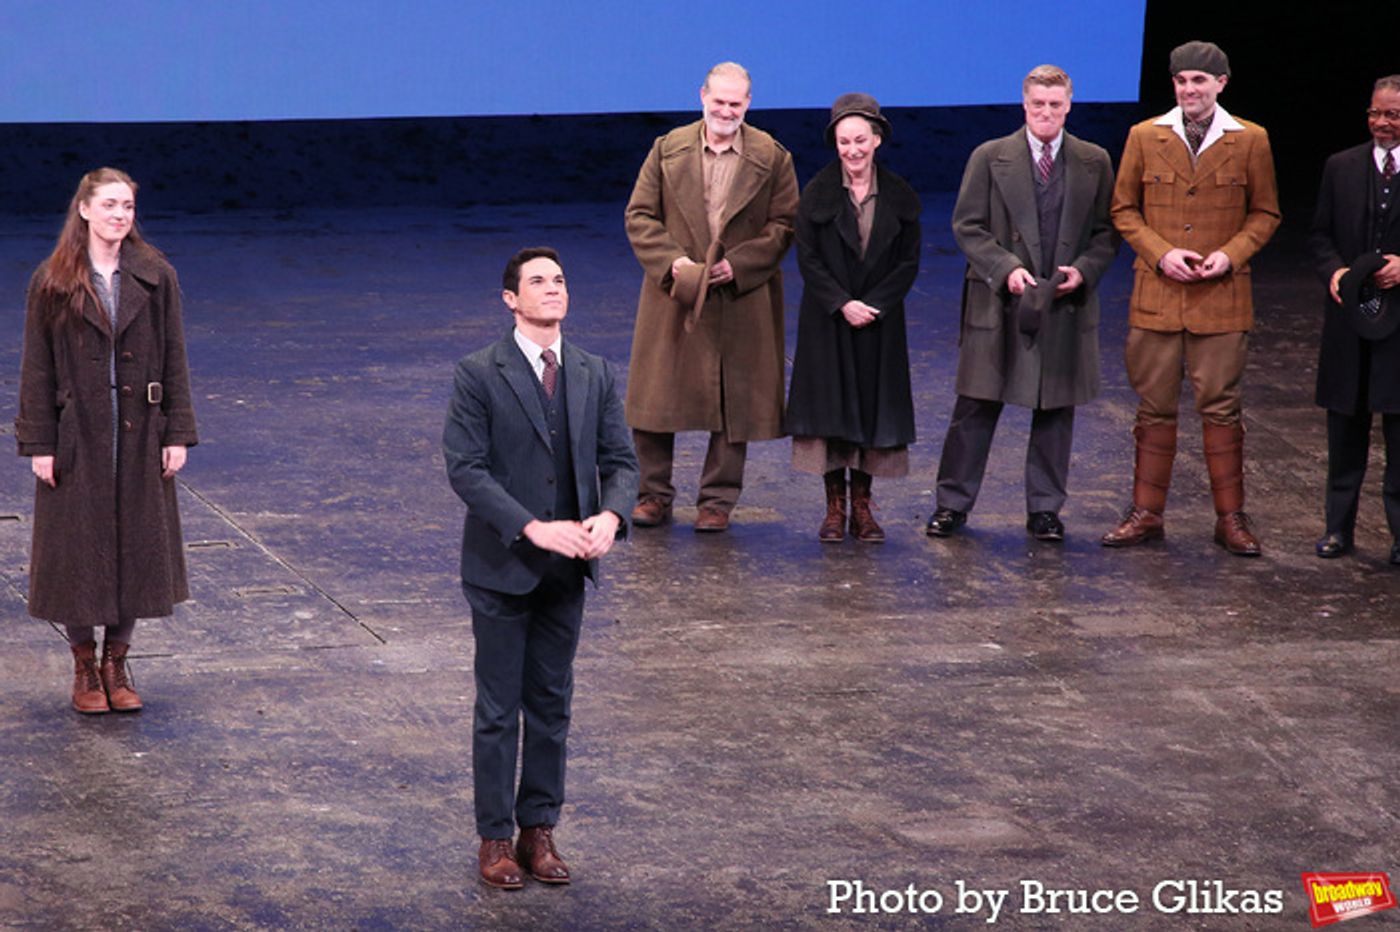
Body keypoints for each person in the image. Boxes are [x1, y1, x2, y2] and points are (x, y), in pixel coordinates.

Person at [443, 247, 639, 890]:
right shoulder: (479, 373)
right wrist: (532, 527)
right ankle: (495, 839)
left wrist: (610, 517)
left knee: (552, 705)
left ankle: (539, 831)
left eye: (559, 279)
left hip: (567, 571)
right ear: (510, 299)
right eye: (537, 281)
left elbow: (621, 460)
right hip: (503, 566)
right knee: (499, 709)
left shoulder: (592, 371)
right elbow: (466, 469)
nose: (553, 289)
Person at [15, 167, 198, 715]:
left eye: (128, 207)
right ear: (85, 210)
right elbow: (37, 369)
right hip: (78, 436)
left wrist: (178, 432)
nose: (121, 216)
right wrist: (39, 443)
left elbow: (174, 354)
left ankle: (118, 661)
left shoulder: (154, 275)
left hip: (139, 433)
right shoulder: (53, 280)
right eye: (111, 205)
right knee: (77, 551)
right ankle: (84, 665)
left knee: (134, 547)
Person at [1101, 40, 1280, 556]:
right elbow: (1124, 209)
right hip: (1158, 292)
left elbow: (1265, 213)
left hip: (1221, 295)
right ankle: (1146, 514)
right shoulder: (1144, 136)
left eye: (1199, 81)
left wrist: (1230, 254)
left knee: (1221, 409)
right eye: (1181, 81)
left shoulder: (1250, 139)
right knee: (1153, 407)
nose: (1188, 90)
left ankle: (1231, 519)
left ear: (1221, 83)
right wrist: (1160, 254)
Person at [925, 65, 1117, 541]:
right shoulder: (991, 157)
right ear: (1024, 105)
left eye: (1055, 104)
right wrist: (1005, 267)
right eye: (1038, 104)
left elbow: (1106, 231)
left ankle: (1045, 509)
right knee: (976, 405)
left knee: (1055, 407)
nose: (1046, 113)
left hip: (1062, 301)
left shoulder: (1093, 160)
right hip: (999, 301)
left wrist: (1085, 271)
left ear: (1069, 105)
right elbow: (968, 225)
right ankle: (952, 505)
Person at [623, 61, 799, 532]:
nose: (725, 110)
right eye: (718, 101)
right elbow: (640, 215)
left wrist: (738, 265)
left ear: (748, 103)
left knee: (732, 399)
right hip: (675, 292)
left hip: (739, 295)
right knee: (657, 395)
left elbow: (784, 226)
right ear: (702, 95)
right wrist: (674, 266)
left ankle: (717, 501)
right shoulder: (668, 149)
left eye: (735, 103)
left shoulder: (772, 156)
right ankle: (653, 494)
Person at [785, 93, 921, 543]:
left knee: (870, 410)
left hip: (879, 321)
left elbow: (908, 261)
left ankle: (862, 506)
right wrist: (842, 302)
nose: (853, 150)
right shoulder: (817, 195)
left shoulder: (900, 195)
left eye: (860, 140)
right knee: (832, 411)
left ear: (877, 139)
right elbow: (808, 259)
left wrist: (875, 303)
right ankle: (833, 508)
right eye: (844, 142)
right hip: (829, 319)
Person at [1308, 76, 1400, 564]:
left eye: (1392, 115)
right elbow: (1320, 235)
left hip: (1399, 327)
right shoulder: (1341, 167)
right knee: (1345, 428)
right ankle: (1337, 530)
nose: (1381, 123)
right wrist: (1336, 271)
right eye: (1375, 114)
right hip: (1349, 321)